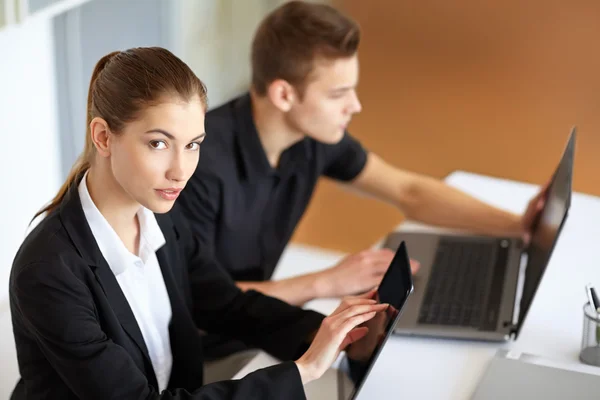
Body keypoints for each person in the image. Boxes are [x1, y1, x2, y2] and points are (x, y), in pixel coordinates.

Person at [176, 0, 547, 369]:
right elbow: (199, 301)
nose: (355, 106)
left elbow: (409, 192)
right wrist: (325, 282)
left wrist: (516, 225)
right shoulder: (198, 167)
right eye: (338, 94)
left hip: (266, 324)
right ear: (284, 94)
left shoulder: (313, 139)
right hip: (204, 350)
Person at [8, 47, 389, 400]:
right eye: (159, 143)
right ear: (104, 137)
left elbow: (228, 305)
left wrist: (333, 335)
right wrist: (303, 371)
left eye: (193, 144)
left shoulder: (161, 222)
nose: (181, 171)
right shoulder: (48, 272)